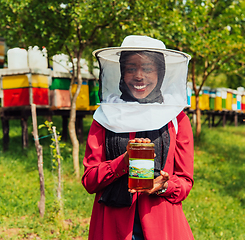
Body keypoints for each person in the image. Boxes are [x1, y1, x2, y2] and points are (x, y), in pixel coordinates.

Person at [82, 35, 194, 240]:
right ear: (121, 73)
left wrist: (164, 186)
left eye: (148, 68)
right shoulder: (105, 117)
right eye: (131, 68)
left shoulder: (177, 119)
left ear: (161, 73)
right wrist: (122, 162)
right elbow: (89, 181)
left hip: (162, 226)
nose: (139, 76)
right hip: (113, 227)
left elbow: (186, 181)